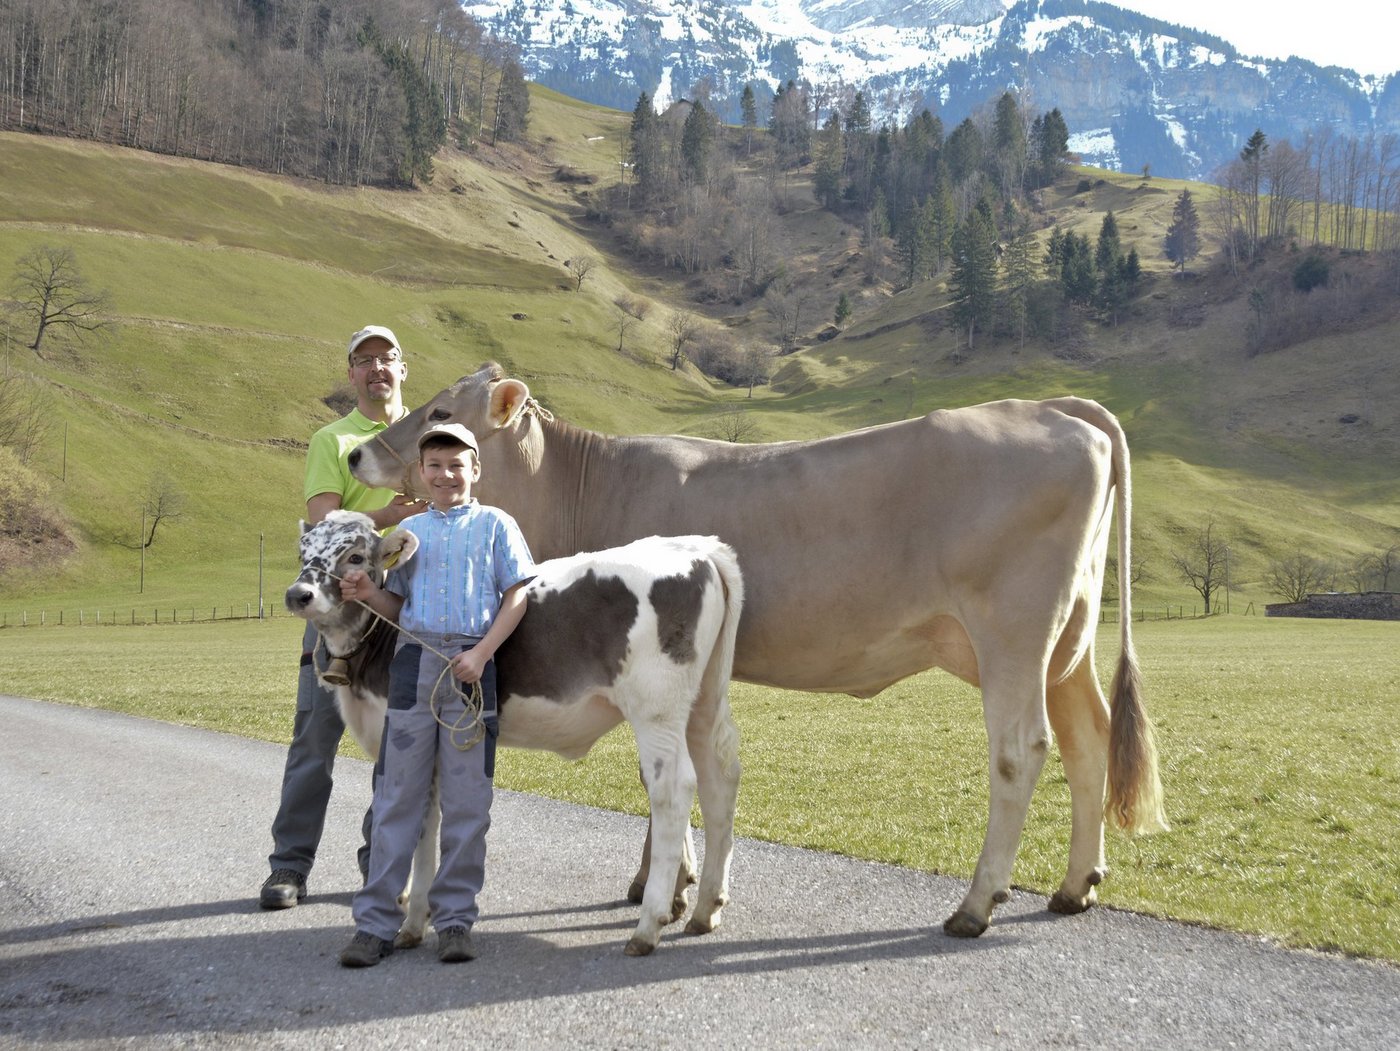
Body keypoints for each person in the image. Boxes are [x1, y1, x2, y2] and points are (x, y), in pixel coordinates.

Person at [336, 423, 535, 967]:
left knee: (468, 802)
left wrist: (483, 653)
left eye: (456, 465)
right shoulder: (409, 530)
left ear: (475, 470)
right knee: (398, 796)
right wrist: (369, 592)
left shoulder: (497, 525)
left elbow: (518, 594)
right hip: (413, 668)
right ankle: (374, 925)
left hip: (471, 670)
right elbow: (398, 610)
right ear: (420, 473)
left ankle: (454, 922)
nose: (446, 475)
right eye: (434, 466)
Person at [260, 325, 420, 910]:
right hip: (337, 606)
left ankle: (379, 864)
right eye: (365, 361)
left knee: (400, 742)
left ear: (404, 369)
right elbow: (324, 520)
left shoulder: (424, 438)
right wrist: (389, 514)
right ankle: (289, 868)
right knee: (315, 738)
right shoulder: (333, 438)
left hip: (406, 610)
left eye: (388, 359)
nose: (378, 368)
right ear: (351, 373)